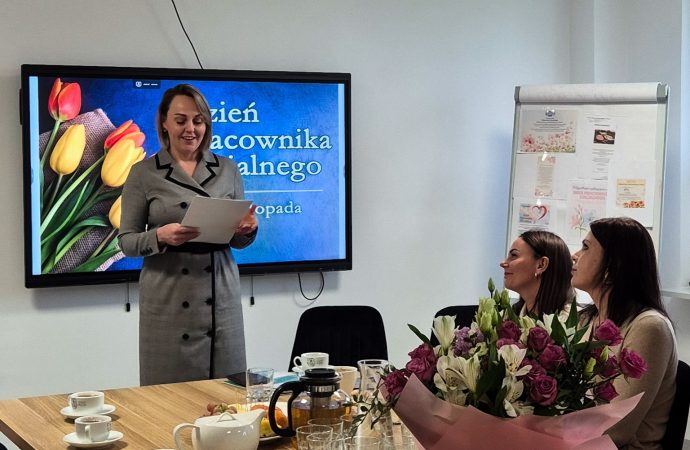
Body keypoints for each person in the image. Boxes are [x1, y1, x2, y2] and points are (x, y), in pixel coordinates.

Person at [118, 84, 258, 386]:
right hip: (168, 294)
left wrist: (247, 229)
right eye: (181, 120)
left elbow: (237, 240)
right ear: (164, 123)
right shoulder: (143, 173)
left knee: (226, 395)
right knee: (169, 396)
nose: (190, 129)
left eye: (198, 120)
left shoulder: (228, 169)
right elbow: (126, 241)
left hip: (220, 291)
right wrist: (159, 236)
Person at [572, 217, 676, 449]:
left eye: (586, 247)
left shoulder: (649, 327)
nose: (575, 255)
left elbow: (616, 429)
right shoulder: (584, 320)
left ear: (613, 266)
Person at [500, 229, 575, 318]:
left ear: (541, 265)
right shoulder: (508, 317)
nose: (503, 263)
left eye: (514, 255)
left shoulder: (576, 321)